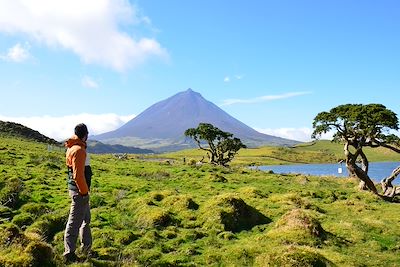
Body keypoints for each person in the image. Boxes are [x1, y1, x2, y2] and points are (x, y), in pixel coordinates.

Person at [63, 123, 92, 263]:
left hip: (76, 190)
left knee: (86, 219)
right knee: (74, 222)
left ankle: (86, 247)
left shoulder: (71, 147)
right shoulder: (79, 150)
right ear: (85, 135)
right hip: (80, 192)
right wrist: (85, 192)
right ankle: (69, 253)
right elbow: (78, 175)